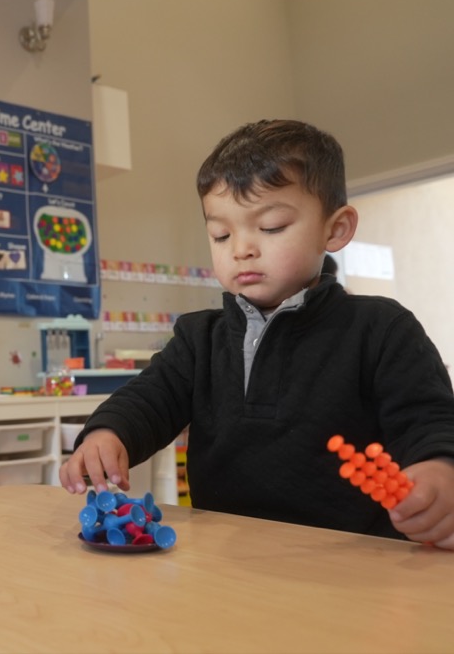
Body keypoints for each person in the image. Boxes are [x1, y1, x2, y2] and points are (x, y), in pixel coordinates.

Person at [60, 120, 454, 548]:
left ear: (335, 229)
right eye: (221, 234)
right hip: (230, 556)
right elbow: (150, 398)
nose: (240, 248)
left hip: (355, 561)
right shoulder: (198, 337)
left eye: (271, 227)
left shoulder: (381, 328)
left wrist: (439, 469)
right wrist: (108, 432)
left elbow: (428, 418)